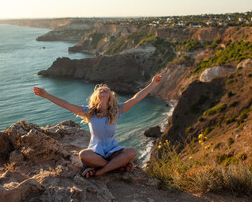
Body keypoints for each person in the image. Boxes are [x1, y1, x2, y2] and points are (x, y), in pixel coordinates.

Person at [33, 73, 162, 178]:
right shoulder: (88, 112)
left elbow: (136, 98)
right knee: (83, 155)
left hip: (112, 150)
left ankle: (100, 171)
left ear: (110, 96)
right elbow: (66, 104)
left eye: (106, 89)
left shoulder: (117, 110)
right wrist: (46, 95)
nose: (104, 89)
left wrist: (153, 84)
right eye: (100, 89)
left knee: (132, 151)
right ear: (96, 96)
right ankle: (116, 166)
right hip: (96, 151)